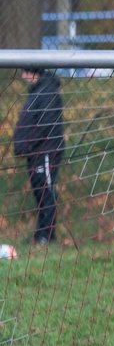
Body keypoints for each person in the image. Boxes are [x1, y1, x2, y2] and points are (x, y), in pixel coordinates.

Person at [13, 67, 65, 245]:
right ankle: (41, 234)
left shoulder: (47, 91)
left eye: (25, 72)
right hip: (35, 153)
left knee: (46, 192)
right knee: (40, 193)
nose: (22, 76)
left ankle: (47, 236)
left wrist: (26, 144)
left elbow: (45, 125)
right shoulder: (37, 91)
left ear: (33, 71)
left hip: (46, 152)